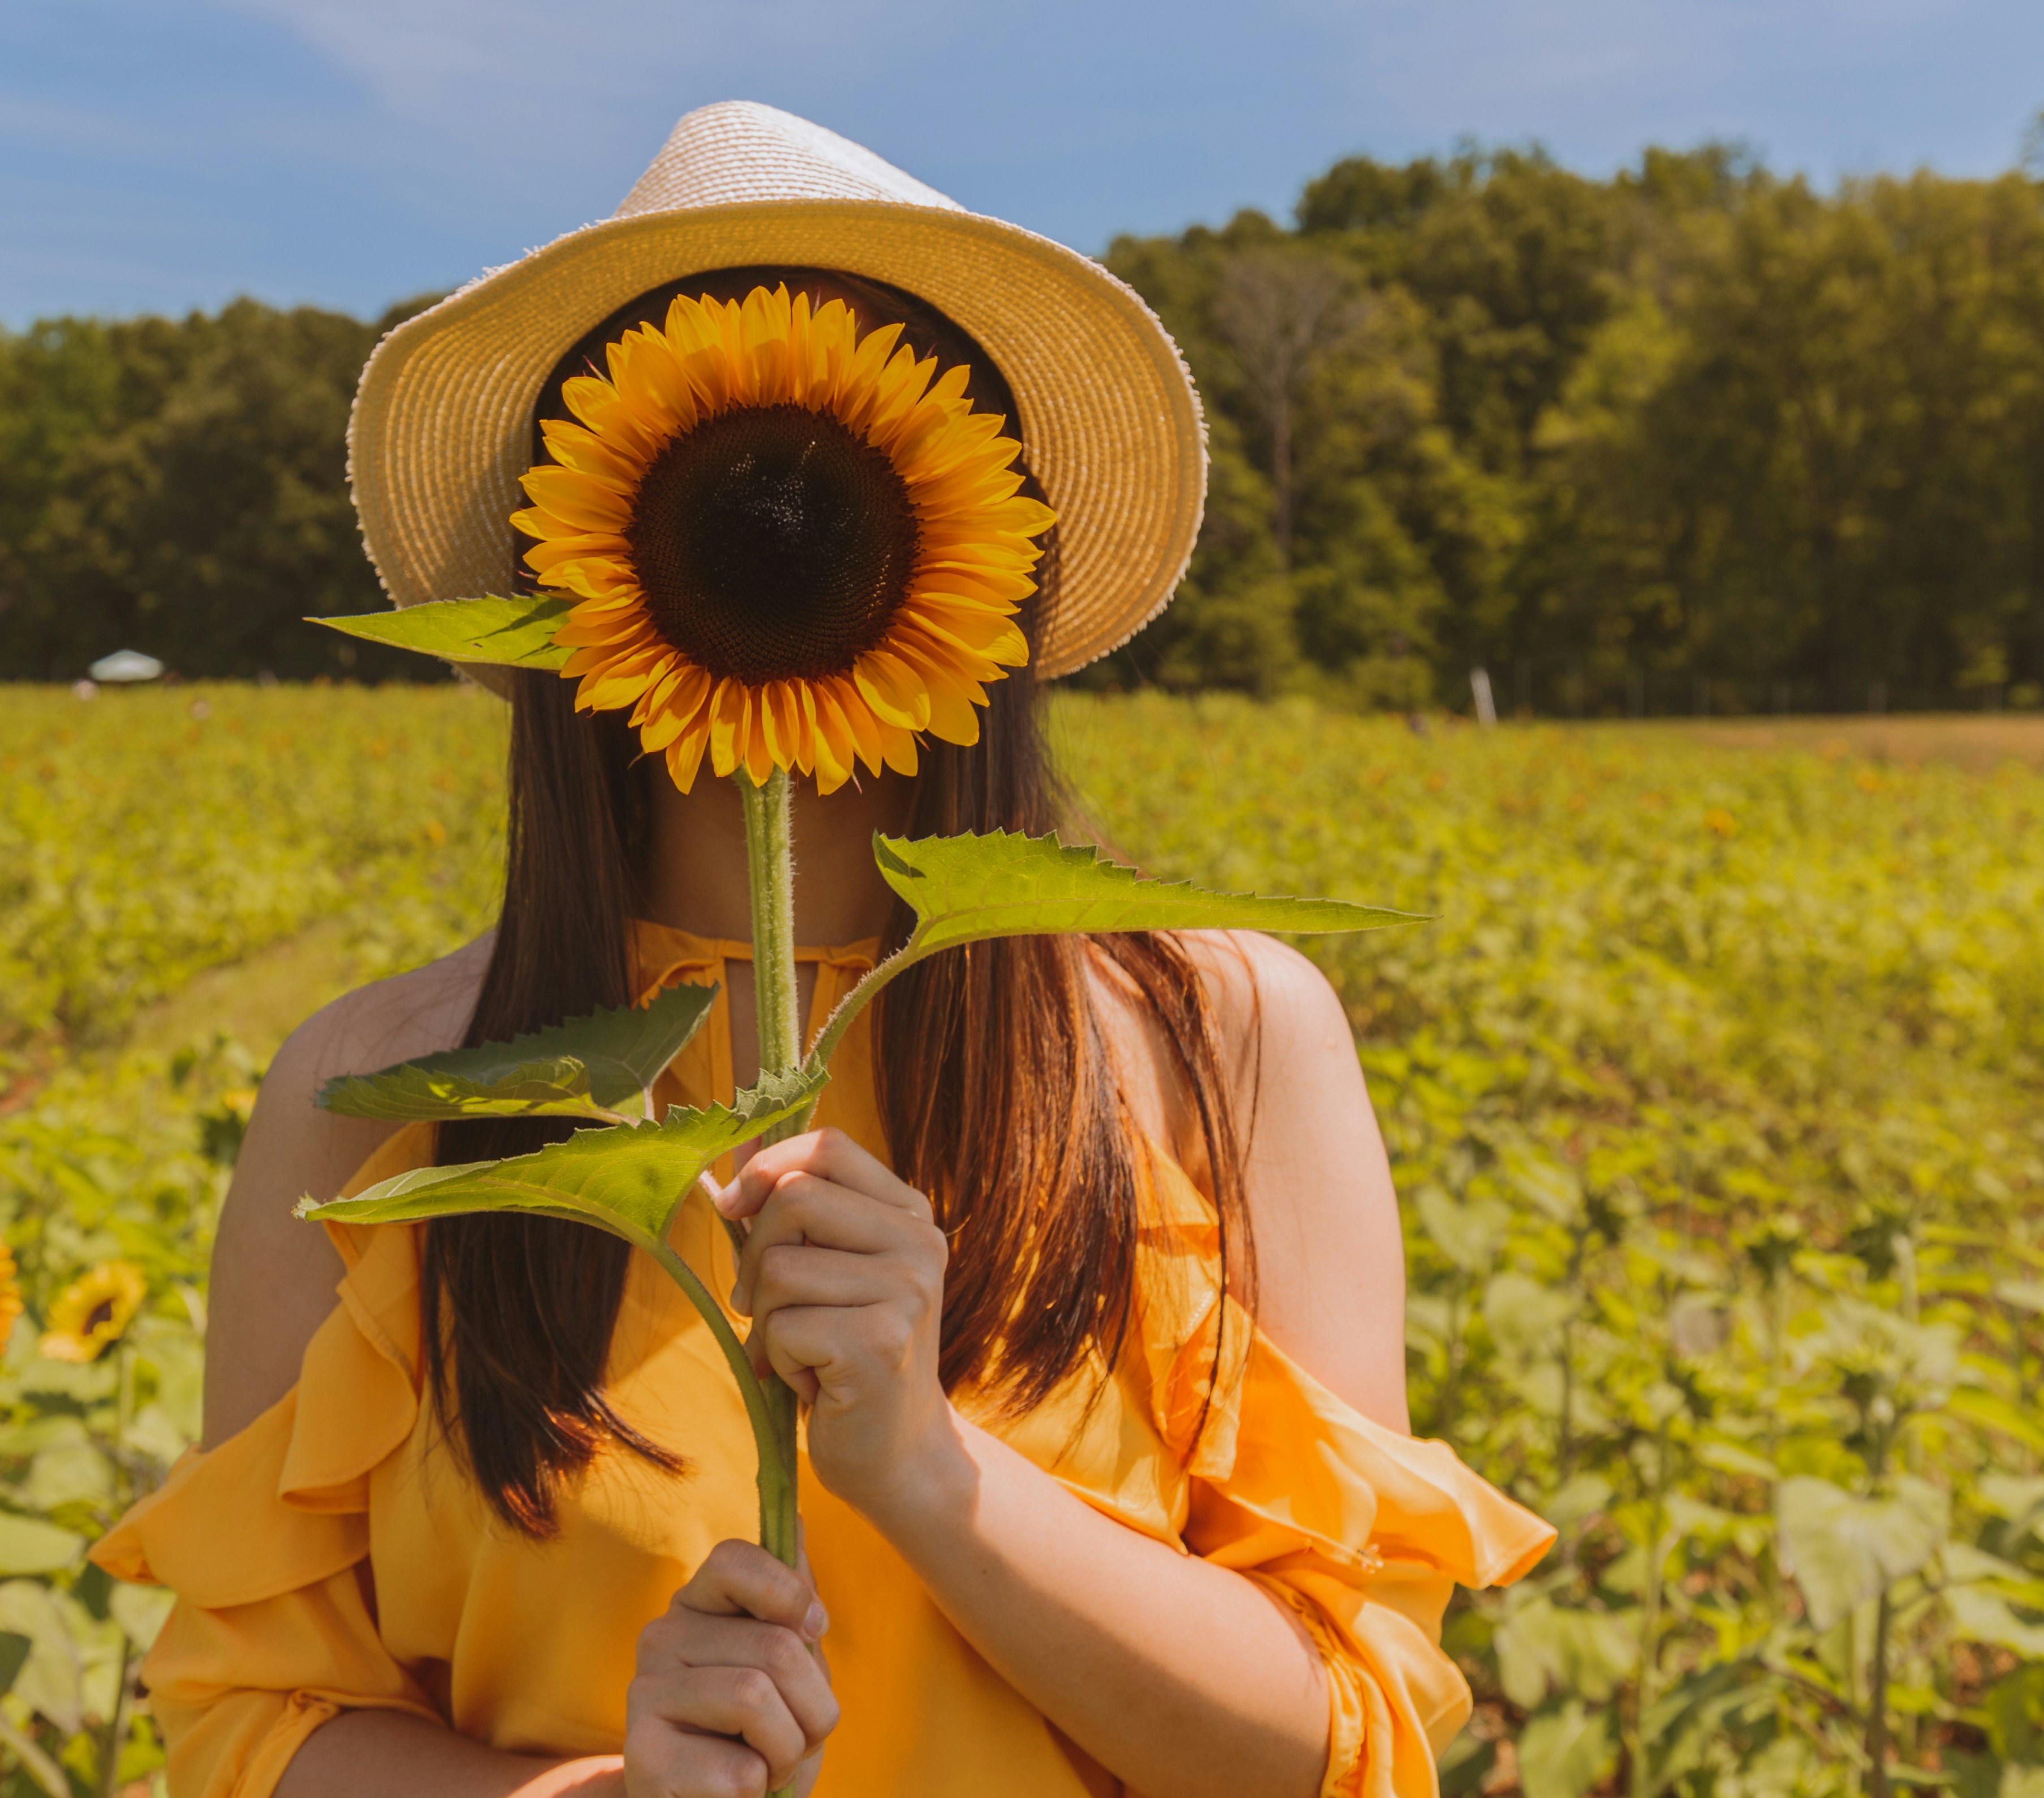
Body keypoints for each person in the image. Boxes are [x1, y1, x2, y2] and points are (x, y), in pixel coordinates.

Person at [96, 102, 1550, 1798]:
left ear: (976, 539)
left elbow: (1341, 1741)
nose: (778, 510)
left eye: (832, 462)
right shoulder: (381, 1104)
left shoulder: (1213, 1036)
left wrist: (931, 1475)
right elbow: (246, 1727)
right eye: (723, 467)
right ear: (580, 558)